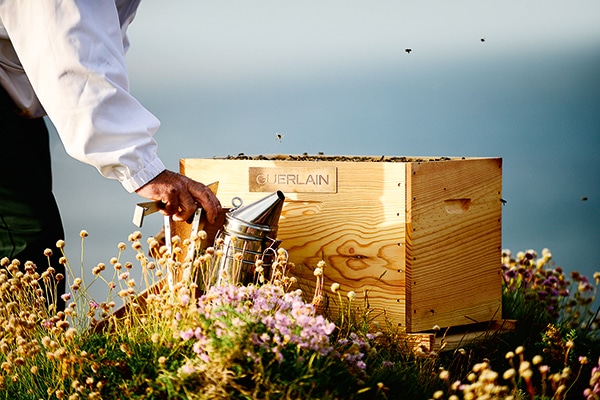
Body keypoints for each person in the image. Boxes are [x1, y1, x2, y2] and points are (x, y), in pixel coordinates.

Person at [0, 1, 222, 297]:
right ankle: (27, 341)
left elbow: (99, 48)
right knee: (26, 241)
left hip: (14, 106)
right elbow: (73, 52)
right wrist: (143, 170)